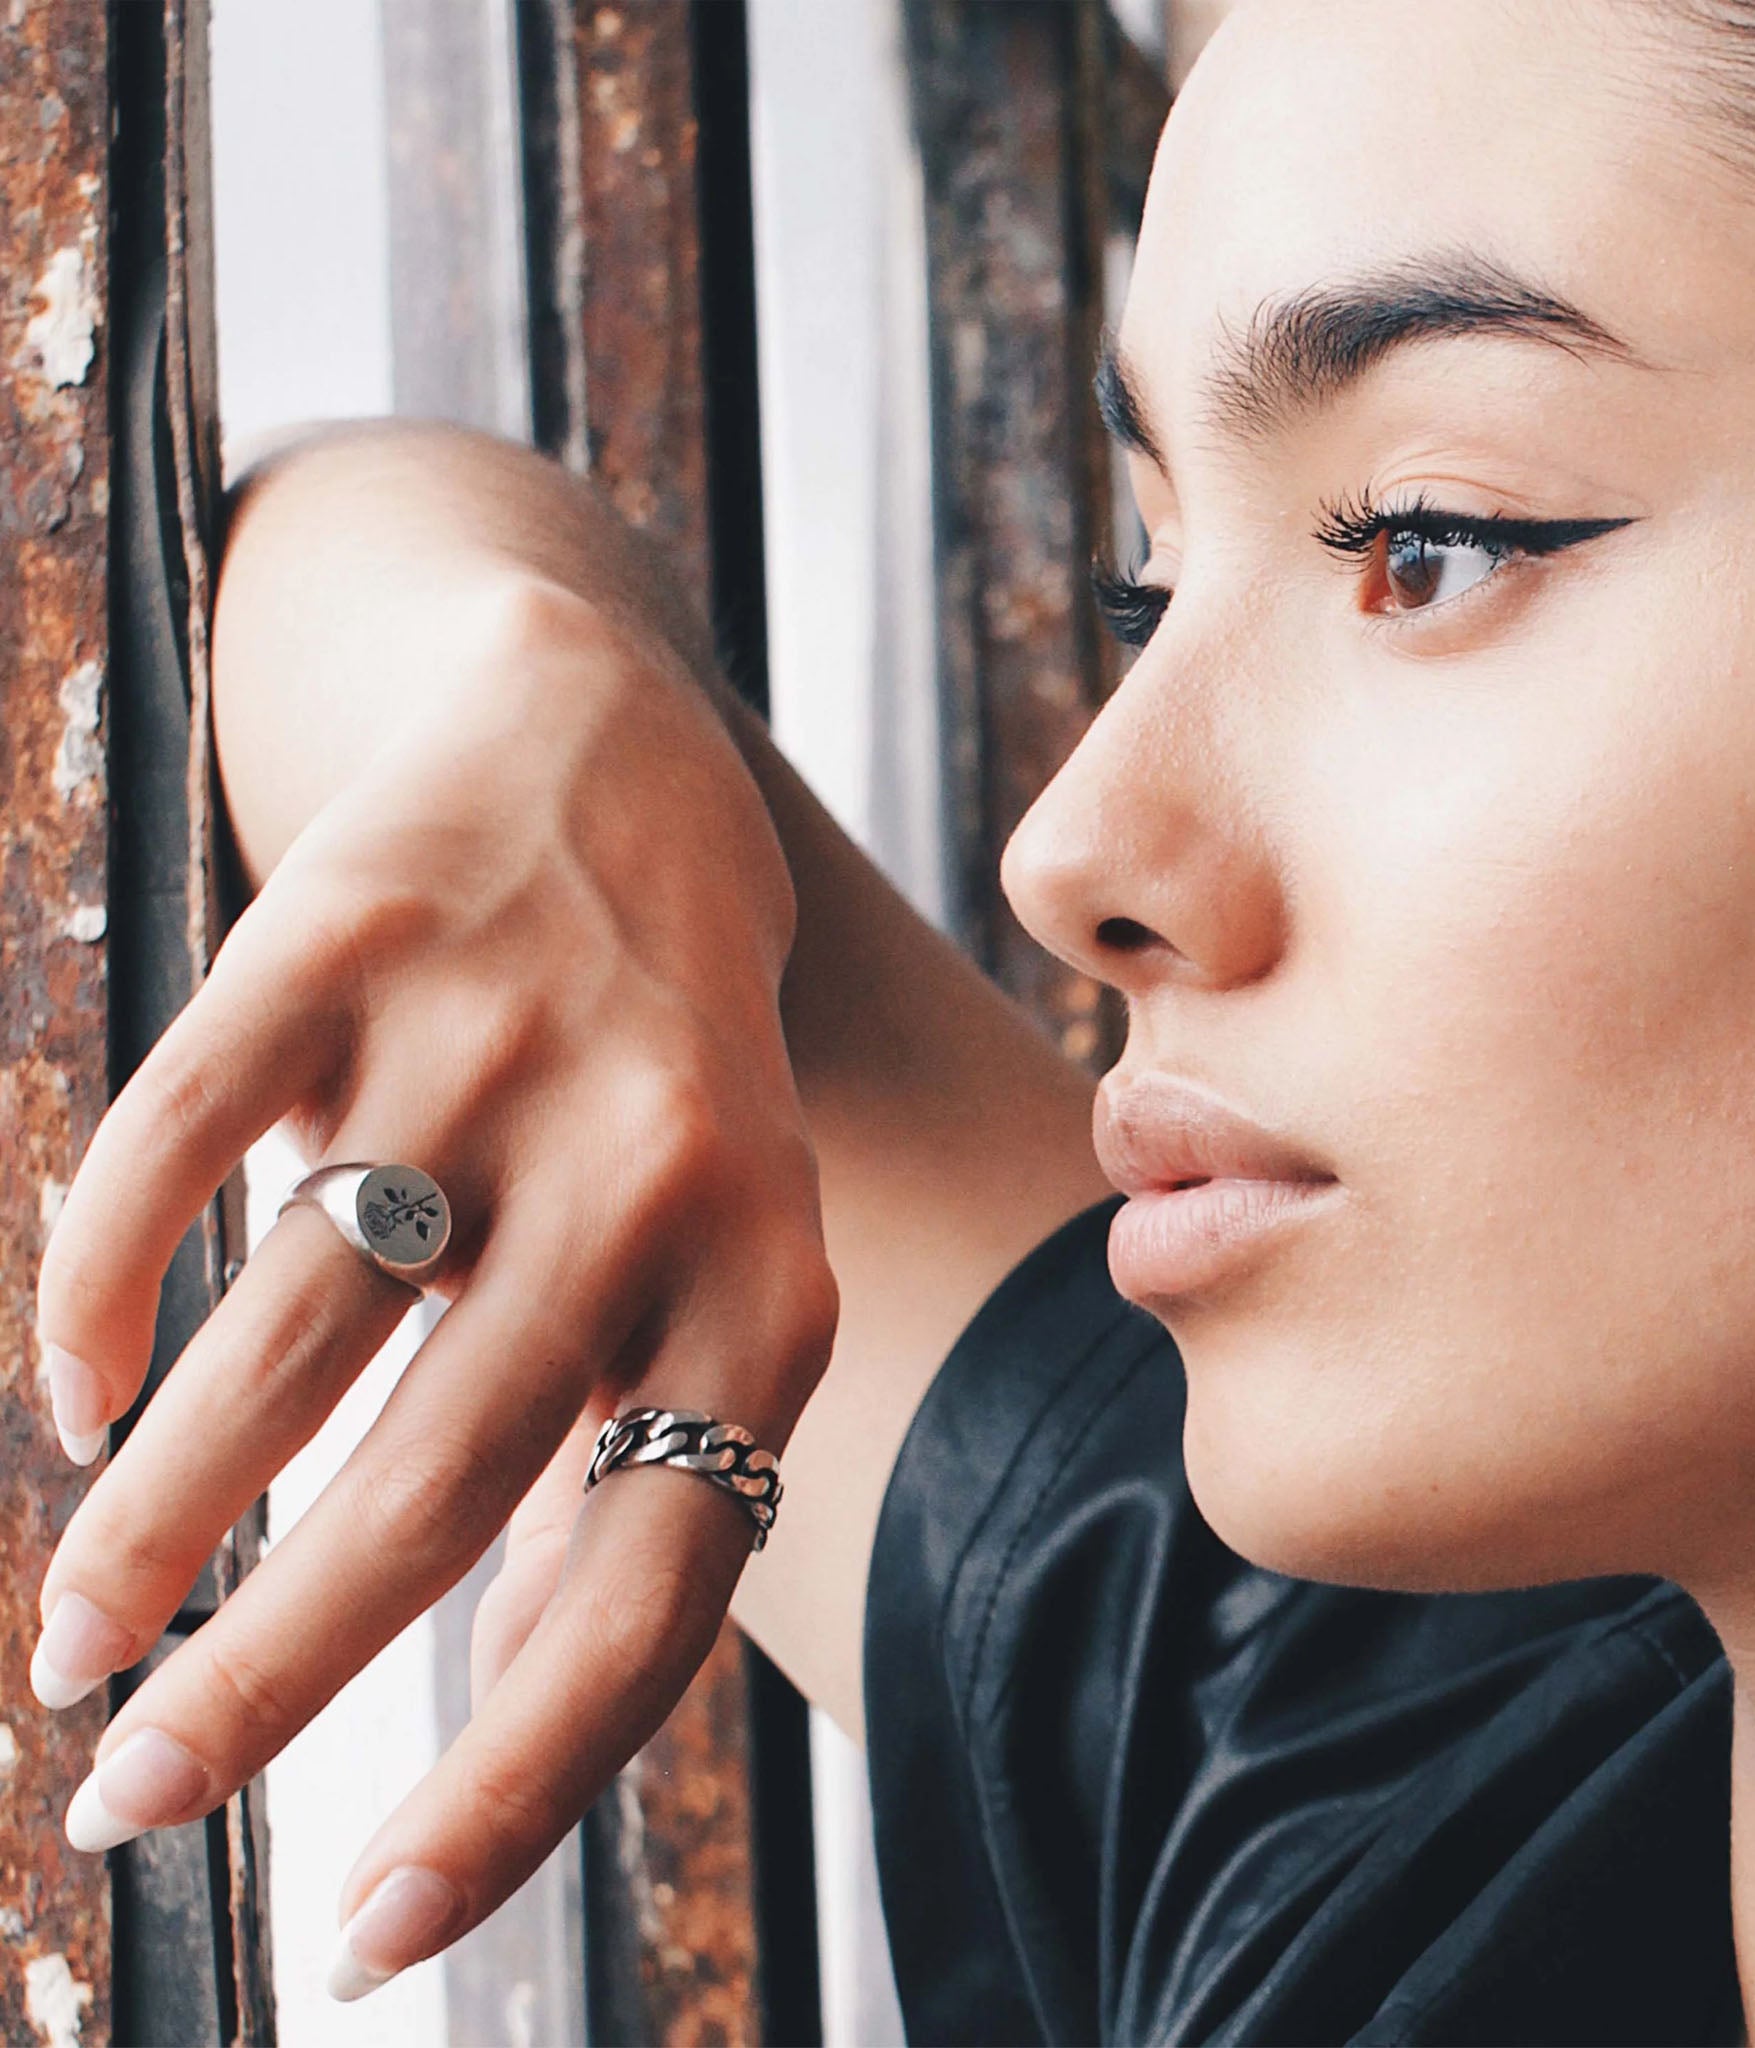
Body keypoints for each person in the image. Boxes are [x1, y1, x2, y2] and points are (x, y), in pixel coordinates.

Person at [24, 0, 1755, 2034]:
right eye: (1147, 584)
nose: (1070, 848)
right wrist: (568, 730)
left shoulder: (1321, 1788)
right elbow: (318, 550)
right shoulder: (1351, 1822)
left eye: (1428, 546)